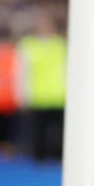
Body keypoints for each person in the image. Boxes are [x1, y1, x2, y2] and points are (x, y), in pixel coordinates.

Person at [17, 14, 68, 162]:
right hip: (38, 96)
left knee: (59, 129)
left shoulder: (60, 44)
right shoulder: (28, 45)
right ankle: (39, 155)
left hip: (58, 94)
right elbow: (22, 72)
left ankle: (59, 154)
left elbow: (66, 69)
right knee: (38, 129)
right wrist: (22, 94)